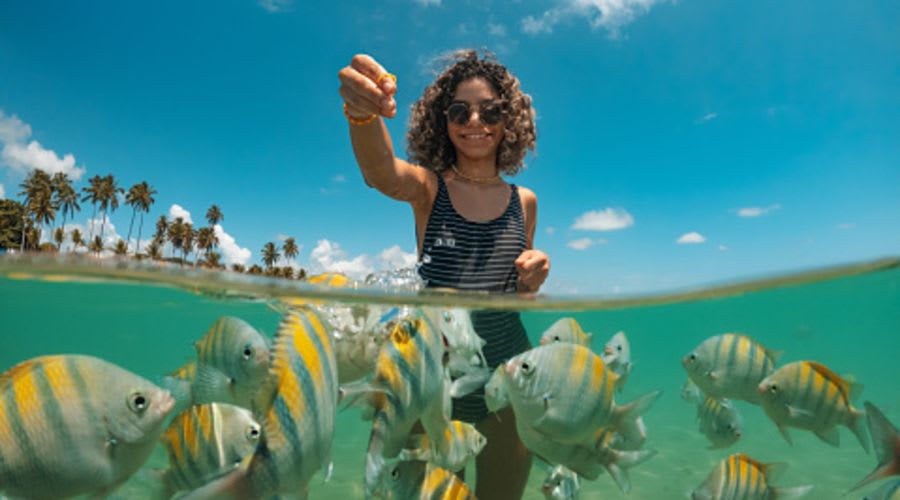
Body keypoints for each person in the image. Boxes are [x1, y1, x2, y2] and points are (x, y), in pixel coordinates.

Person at [338, 49, 550, 499]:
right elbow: (381, 172)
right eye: (459, 110)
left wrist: (532, 278)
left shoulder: (525, 202)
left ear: (508, 120)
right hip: (429, 381)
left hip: (508, 380)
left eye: (490, 111)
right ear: (442, 120)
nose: (474, 120)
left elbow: (518, 294)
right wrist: (362, 114)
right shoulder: (429, 188)